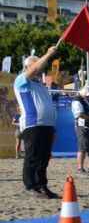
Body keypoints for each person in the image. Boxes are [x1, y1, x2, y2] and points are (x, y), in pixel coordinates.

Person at [15, 45, 60, 199]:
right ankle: (31, 185)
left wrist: (53, 127)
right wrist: (47, 55)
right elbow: (33, 70)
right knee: (32, 156)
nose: (41, 68)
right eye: (37, 64)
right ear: (28, 66)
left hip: (46, 125)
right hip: (32, 124)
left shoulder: (40, 85)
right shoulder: (21, 80)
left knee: (44, 158)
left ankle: (42, 185)